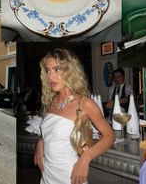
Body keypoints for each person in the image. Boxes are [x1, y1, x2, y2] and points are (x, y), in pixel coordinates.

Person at [33, 49, 114, 184]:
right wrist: (41, 143)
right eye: (47, 71)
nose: (50, 77)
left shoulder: (85, 103)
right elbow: (51, 133)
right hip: (46, 175)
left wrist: (86, 157)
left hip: (70, 176)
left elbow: (110, 136)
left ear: (70, 70)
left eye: (57, 69)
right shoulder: (50, 102)